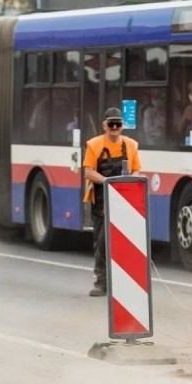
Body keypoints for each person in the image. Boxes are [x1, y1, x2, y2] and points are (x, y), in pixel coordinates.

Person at [82, 108, 142, 296]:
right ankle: (101, 282)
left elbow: (137, 170)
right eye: (111, 124)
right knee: (102, 241)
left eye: (118, 124)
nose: (114, 128)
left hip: (125, 200)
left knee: (125, 242)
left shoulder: (131, 145)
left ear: (123, 126)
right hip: (102, 200)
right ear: (104, 126)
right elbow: (88, 171)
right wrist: (108, 182)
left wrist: (130, 181)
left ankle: (123, 282)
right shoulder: (94, 145)